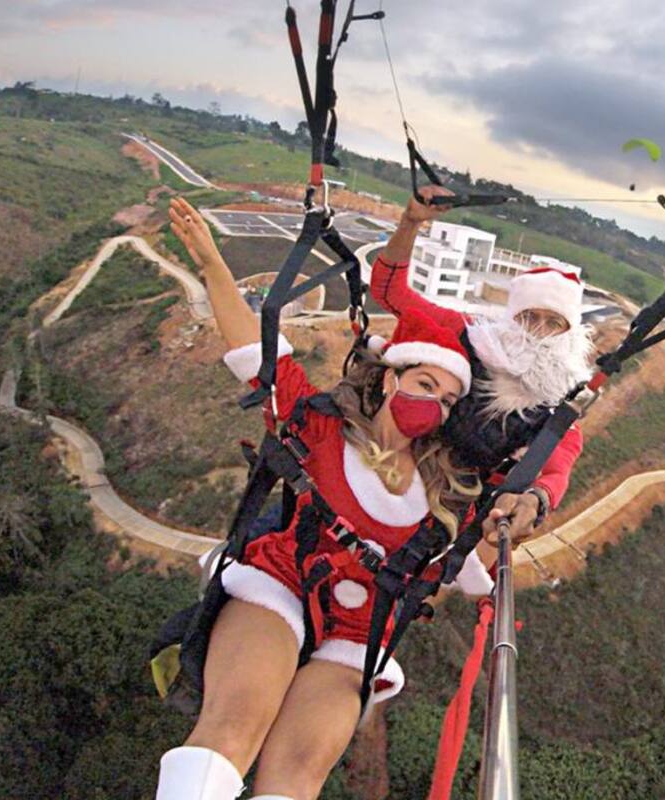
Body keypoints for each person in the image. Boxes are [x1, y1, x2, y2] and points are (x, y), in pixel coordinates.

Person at [156, 198, 491, 800]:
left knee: (296, 777)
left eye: (446, 401)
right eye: (425, 384)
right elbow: (260, 355)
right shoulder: (323, 429)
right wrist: (211, 264)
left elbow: (471, 565)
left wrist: (525, 502)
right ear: (390, 377)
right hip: (282, 584)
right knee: (234, 727)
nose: (433, 406)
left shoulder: (445, 496)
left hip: (358, 635)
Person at [369, 186, 590, 548]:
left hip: (451, 506)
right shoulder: (473, 336)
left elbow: (557, 468)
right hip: (395, 459)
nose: (538, 331)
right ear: (512, 315)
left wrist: (536, 500)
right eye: (529, 317)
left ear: (569, 333)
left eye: (553, 322)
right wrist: (410, 223)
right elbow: (389, 292)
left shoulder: (559, 402)